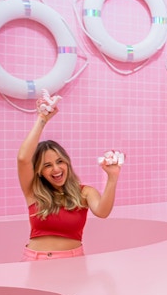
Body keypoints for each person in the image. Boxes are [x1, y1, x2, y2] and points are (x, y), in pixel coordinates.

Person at [17, 97, 121, 260]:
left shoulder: (85, 192)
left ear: (67, 163)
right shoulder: (33, 191)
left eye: (60, 162)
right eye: (47, 165)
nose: (56, 169)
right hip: (36, 259)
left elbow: (102, 211)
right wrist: (42, 119)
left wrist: (112, 178)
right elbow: (23, 158)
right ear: (39, 171)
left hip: (72, 260)